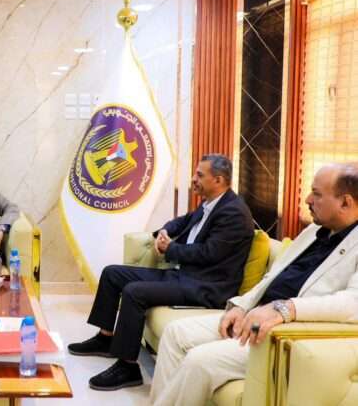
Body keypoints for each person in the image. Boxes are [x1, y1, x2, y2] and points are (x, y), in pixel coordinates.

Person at [150, 162, 358, 406]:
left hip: (283, 333)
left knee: (199, 360)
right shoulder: (314, 230)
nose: (307, 200)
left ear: (346, 203)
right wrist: (241, 306)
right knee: (175, 333)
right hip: (254, 315)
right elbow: (272, 277)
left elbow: (353, 302)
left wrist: (285, 309)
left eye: (317, 194)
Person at [67, 154, 255, 391]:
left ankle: (127, 368)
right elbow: (183, 221)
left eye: (199, 175)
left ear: (218, 180)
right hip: (184, 276)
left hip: (206, 286)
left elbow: (209, 254)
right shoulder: (210, 203)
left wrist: (170, 249)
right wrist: (164, 232)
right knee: (113, 273)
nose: (193, 179)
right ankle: (105, 339)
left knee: (134, 292)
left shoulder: (234, 213)